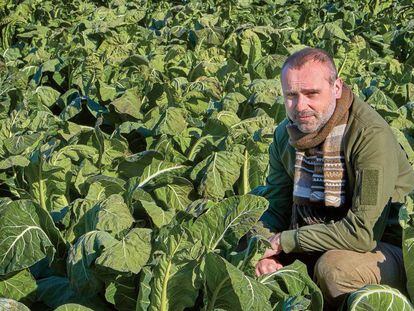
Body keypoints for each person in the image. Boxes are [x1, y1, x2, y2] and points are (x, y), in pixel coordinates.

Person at [254, 47, 414, 309]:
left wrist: (285, 241)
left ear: (337, 88)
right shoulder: (286, 134)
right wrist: (262, 251)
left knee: (334, 270)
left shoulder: (368, 136)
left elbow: (363, 233)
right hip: (325, 233)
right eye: (291, 96)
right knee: (243, 234)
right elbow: (275, 206)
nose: (300, 106)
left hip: (386, 248)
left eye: (311, 93)